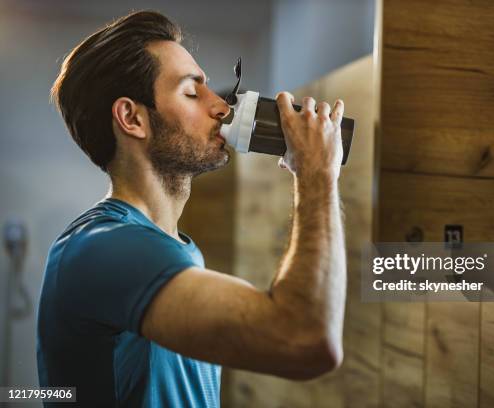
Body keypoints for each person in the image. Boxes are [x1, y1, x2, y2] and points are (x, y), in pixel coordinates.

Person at [37, 10, 346, 407]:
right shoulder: (102, 248)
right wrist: (317, 174)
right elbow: (306, 338)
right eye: (191, 92)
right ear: (132, 118)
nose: (220, 106)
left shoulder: (180, 250)